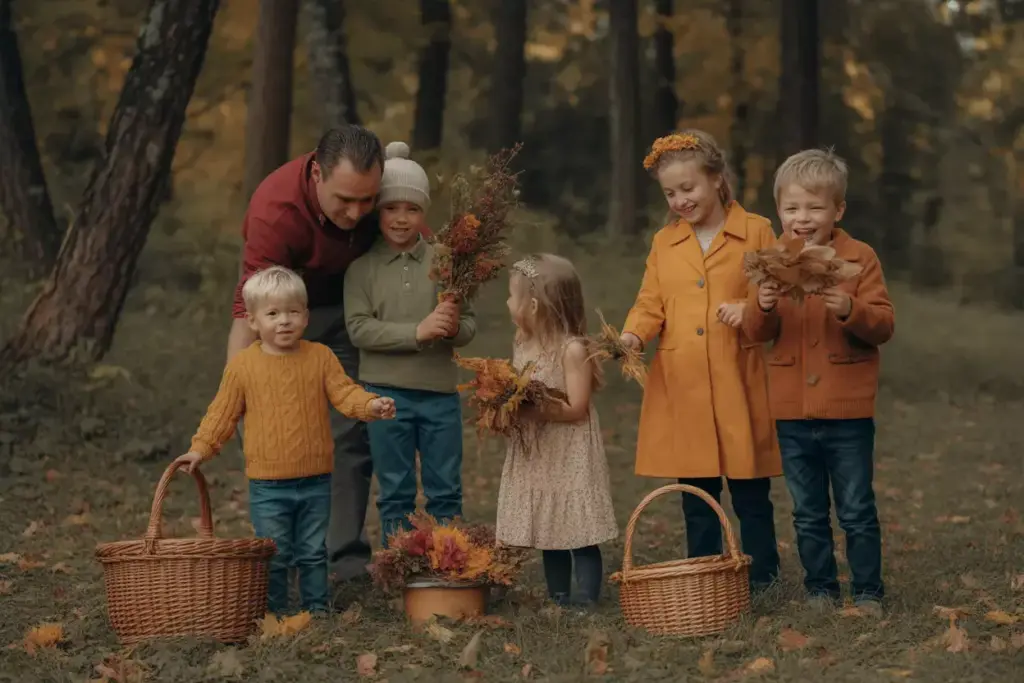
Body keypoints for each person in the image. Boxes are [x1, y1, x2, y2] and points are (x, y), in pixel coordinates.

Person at [229, 126, 427, 581]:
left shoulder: (386, 192)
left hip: (357, 311)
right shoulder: (275, 210)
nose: (357, 213)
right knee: (276, 427)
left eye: (367, 200)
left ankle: (345, 561)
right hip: (288, 309)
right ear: (317, 173)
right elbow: (248, 313)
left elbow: (422, 253)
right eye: (345, 200)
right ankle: (285, 559)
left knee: (351, 429)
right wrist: (238, 393)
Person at [176, 266, 396, 615]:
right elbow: (222, 414)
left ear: (306, 316)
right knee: (276, 553)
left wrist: (370, 405)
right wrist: (199, 449)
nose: (284, 321)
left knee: (313, 551)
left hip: (316, 479)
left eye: (293, 312)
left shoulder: (320, 357)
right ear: (253, 321)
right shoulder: (243, 366)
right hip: (268, 485)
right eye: (273, 314)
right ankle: (276, 614)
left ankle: (316, 609)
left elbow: (345, 393)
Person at [618, 130, 782, 593]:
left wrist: (750, 309)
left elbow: (774, 296)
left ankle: (763, 577)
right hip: (684, 383)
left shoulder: (756, 231)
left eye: (688, 188)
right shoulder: (664, 242)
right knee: (696, 494)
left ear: (716, 179)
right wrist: (632, 334)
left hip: (737, 376)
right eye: (670, 194)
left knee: (750, 490)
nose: (680, 201)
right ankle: (707, 575)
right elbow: (651, 301)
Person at [743, 149, 894, 616]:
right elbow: (755, 331)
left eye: (814, 207)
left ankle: (867, 590)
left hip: (847, 410)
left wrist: (852, 310)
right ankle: (820, 588)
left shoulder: (859, 257)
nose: (802, 218)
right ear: (779, 211)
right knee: (807, 511)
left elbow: (884, 325)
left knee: (856, 508)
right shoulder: (771, 261)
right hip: (791, 410)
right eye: (792, 208)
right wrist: (762, 305)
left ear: (838, 210)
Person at [344, 141, 476, 544]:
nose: (401, 219)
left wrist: (452, 328)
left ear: (424, 214)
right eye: (391, 208)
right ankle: (398, 565)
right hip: (384, 397)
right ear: (378, 211)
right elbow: (359, 329)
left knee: (445, 489)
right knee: (396, 491)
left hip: (439, 395)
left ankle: (447, 563)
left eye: (412, 209)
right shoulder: (362, 269)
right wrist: (416, 332)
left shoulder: (446, 261)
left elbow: (469, 325)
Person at [496, 253, 618, 607]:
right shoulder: (523, 342)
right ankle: (559, 596)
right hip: (538, 449)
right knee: (551, 527)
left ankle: (586, 598)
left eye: (511, 296)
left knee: (577, 527)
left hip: (569, 449)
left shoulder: (571, 349)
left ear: (533, 305)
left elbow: (577, 407)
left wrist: (533, 409)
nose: (507, 303)